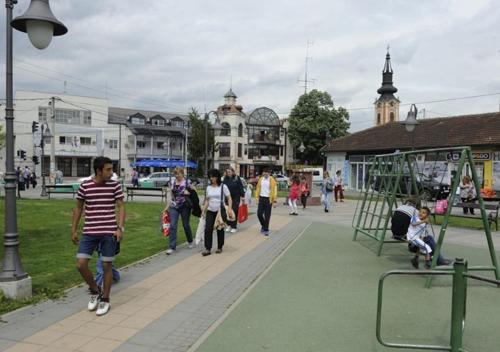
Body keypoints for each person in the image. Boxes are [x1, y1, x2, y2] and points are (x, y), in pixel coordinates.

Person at [72, 156, 125, 316]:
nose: (111, 172)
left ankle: (106, 299)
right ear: (98, 170)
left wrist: (120, 228)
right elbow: (78, 208)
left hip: (109, 232)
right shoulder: (85, 186)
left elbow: (121, 206)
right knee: (81, 264)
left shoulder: (114, 185)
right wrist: (73, 229)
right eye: (108, 169)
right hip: (89, 231)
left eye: (111, 169)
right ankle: (95, 290)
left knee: (106, 266)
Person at [391, 198, 451, 266]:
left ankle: (419, 258)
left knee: (423, 240)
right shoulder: (415, 212)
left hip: (394, 231)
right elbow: (417, 225)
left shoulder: (400, 207)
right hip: (405, 234)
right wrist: (424, 221)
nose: (420, 212)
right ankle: (439, 260)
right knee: (429, 239)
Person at [201, 169, 234, 256]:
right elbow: (207, 200)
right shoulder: (208, 187)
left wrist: (230, 209)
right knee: (208, 229)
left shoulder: (223, 186)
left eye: (213, 176)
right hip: (210, 211)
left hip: (220, 211)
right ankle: (208, 248)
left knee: (220, 229)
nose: (211, 178)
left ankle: (220, 247)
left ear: (217, 177)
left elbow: (229, 198)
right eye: (210, 177)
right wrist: (203, 210)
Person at [163, 166, 194, 255]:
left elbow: (194, 192)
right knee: (172, 226)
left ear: (182, 173)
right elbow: (171, 196)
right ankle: (172, 247)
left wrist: (189, 193)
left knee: (185, 225)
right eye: (175, 174)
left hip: (185, 206)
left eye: (178, 174)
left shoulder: (187, 182)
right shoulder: (172, 182)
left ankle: (190, 240)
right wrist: (167, 207)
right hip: (174, 206)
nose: (177, 176)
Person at [255, 168, 278, 236]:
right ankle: (264, 225)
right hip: (261, 199)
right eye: (264, 172)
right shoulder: (260, 179)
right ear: (263, 173)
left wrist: (274, 201)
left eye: (267, 172)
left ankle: (266, 229)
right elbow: (257, 189)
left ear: (269, 173)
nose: (265, 173)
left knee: (267, 215)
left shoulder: (272, 180)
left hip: (268, 200)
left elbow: (275, 191)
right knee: (259, 214)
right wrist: (256, 198)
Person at [223, 167, 245, 233]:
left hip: (236, 197)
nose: (228, 173)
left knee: (234, 211)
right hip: (227, 197)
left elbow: (240, 187)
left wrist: (242, 196)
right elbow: (222, 187)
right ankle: (229, 225)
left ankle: (234, 226)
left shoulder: (236, 178)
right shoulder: (225, 179)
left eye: (229, 172)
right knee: (227, 211)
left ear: (233, 172)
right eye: (227, 172)